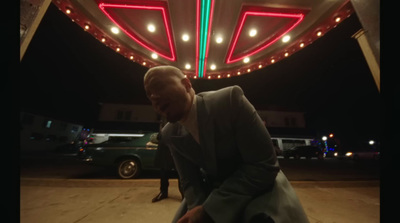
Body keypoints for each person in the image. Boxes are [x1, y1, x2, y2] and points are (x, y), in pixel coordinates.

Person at [143, 65, 309, 223]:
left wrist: (209, 210)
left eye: (159, 86)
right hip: (214, 194)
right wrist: (198, 212)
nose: (154, 97)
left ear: (186, 84)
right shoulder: (169, 133)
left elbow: (265, 165)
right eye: (149, 94)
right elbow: (190, 183)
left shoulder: (230, 100)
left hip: (259, 187)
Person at [152, 121, 184, 203]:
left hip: (176, 149)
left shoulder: (177, 120)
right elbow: (160, 136)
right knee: (164, 173)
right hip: (164, 151)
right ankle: (163, 192)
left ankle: (184, 195)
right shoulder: (163, 121)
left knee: (181, 174)